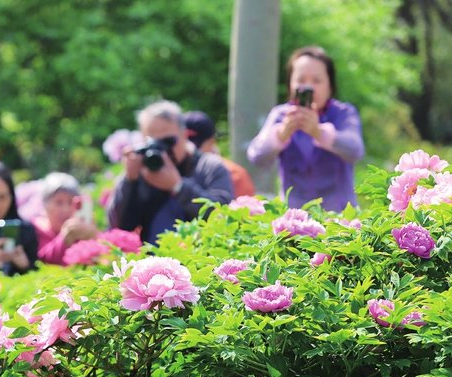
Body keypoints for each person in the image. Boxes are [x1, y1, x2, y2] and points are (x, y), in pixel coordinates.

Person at [247, 45, 364, 212]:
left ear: (330, 85)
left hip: (340, 220)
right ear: (290, 84)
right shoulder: (281, 115)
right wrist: (281, 134)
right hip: (293, 221)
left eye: (316, 81)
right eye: (301, 80)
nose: (308, 87)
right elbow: (256, 156)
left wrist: (319, 132)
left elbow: (355, 150)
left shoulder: (343, 113)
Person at [106, 100, 233, 246]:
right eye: (153, 143)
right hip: (154, 263)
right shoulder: (141, 171)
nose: (162, 149)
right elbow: (118, 227)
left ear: (184, 134)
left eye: (169, 141)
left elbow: (222, 217)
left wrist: (178, 186)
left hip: (203, 263)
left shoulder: (210, 167)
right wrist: (129, 181)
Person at [184, 110, 256, 198]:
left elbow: (246, 210)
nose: (190, 151)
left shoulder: (234, 174)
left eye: (197, 147)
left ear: (212, 141)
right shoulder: (170, 171)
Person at [33, 172, 97, 265]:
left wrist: (92, 236)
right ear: (45, 205)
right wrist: (65, 238)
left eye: (71, 202)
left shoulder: (80, 227)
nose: (65, 209)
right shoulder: (36, 229)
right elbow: (41, 261)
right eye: (59, 202)